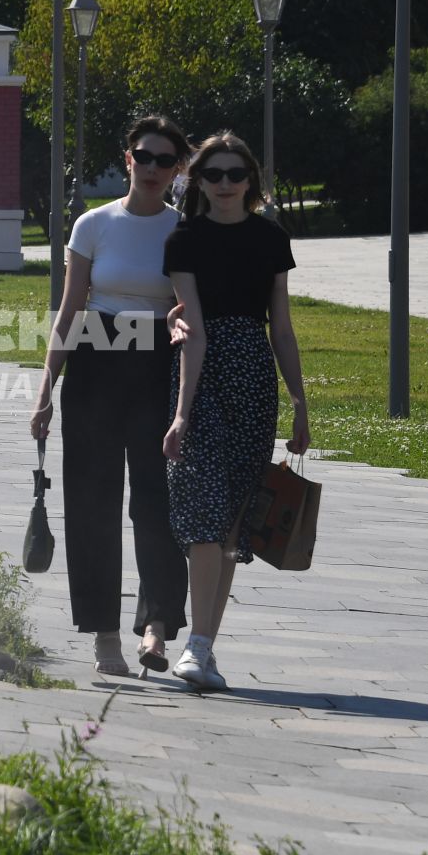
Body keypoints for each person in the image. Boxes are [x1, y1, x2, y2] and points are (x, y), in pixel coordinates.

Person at [30, 116, 194, 678]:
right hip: (97, 360)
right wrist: (47, 387)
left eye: (164, 161)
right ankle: (104, 636)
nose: (152, 168)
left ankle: (157, 626)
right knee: (93, 502)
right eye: (143, 157)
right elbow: (71, 305)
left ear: (177, 170)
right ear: (128, 160)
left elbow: (193, 305)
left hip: (157, 364)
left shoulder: (183, 230)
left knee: (159, 502)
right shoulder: (93, 224)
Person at [161, 132, 309, 692]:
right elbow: (192, 329)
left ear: (251, 181)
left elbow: (283, 328)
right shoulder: (185, 239)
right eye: (214, 174)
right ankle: (197, 647)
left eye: (235, 175)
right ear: (198, 180)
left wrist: (299, 401)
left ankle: (204, 646)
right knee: (202, 505)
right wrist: (180, 413)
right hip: (200, 374)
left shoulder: (271, 239)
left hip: (252, 375)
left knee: (231, 521)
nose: (225, 184)